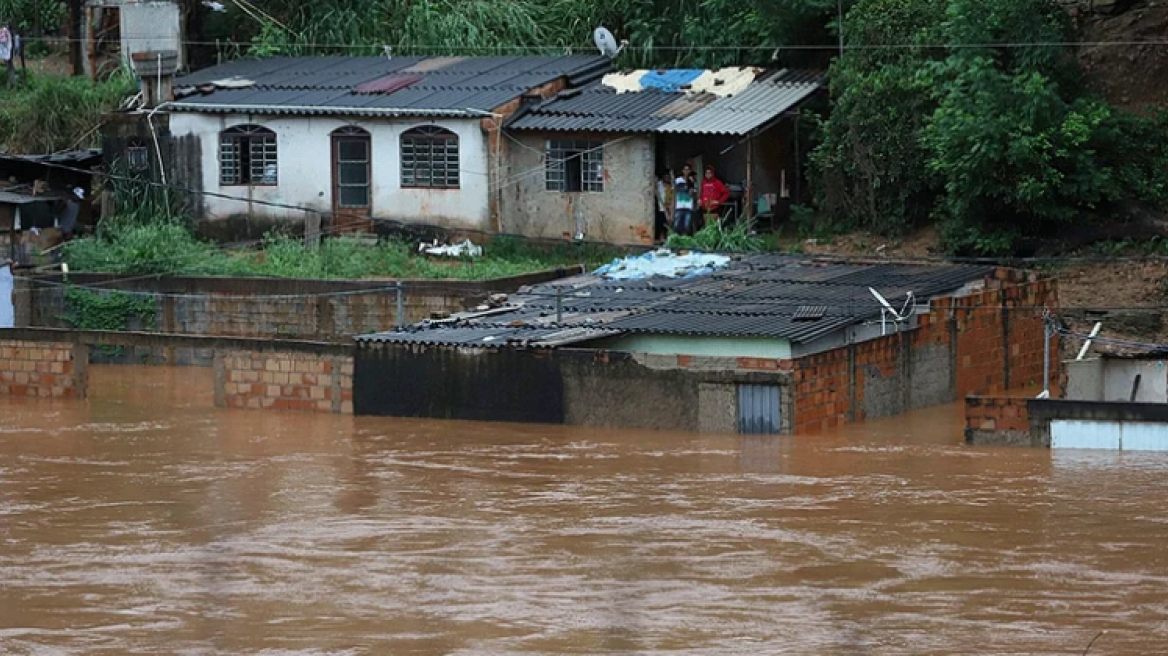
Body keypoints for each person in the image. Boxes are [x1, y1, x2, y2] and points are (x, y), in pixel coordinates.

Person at [673, 169, 695, 236]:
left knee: (687, 227)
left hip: (688, 207)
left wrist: (692, 183)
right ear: (682, 171)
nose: (686, 171)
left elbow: (692, 194)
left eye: (688, 170)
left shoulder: (692, 182)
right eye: (685, 170)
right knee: (676, 227)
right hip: (679, 207)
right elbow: (674, 194)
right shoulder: (678, 181)